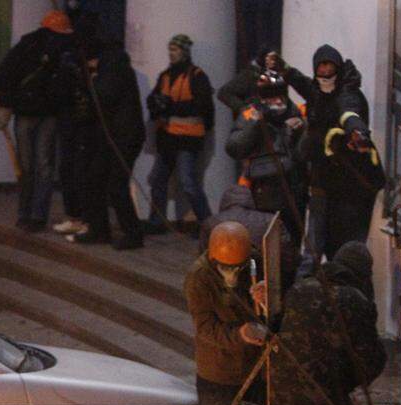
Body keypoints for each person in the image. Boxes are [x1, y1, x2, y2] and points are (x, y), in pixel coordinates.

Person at [269, 241, 386, 405]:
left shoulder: (300, 287)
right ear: (364, 275)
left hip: (280, 393)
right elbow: (371, 361)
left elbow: (274, 329)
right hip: (327, 401)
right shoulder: (355, 300)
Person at [184, 221, 266, 405]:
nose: (232, 273)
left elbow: (267, 308)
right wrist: (239, 335)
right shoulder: (199, 278)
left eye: (238, 267)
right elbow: (206, 329)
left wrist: (265, 297)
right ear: (212, 256)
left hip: (252, 366)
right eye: (225, 267)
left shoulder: (253, 262)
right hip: (218, 372)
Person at [297, 45, 384, 260]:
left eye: (329, 65)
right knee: (316, 246)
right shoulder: (316, 96)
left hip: (349, 188)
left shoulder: (349, 94)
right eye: (321, 65)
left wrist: (354, 131)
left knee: (345, 247)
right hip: (321, 182)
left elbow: (351, 113)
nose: (325, 71)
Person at [58, 39, 145, 250]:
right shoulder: (108, 67)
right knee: (94, 179)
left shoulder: (115, 68)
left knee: (116, 185)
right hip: (111, 136)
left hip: (124, 137)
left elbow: (103, 96)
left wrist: (85, 79)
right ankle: (99, 230)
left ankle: (133, 234)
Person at [0, 11, 74, 231]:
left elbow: (5, 72)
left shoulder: (25, 45)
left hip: (25, 113)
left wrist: (6, 105)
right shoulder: (63, 49)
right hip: (48, 114)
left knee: (27, 166)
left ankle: (24, 214)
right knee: (44, 167)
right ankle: (38, 216)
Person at [143, 34, 214, 235]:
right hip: (167, 138)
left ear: (184, 52)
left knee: (187, 182)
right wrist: (157, 105)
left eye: (175, 50)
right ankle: (156, 221)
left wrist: (169, 106)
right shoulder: (166, 75)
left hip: (187, 139)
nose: (171, 54)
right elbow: (152, 99)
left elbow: (203, 106)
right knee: (158, 180)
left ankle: (208, 226)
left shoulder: (197, 76)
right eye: (170, 50)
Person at [225, 71, 306, 242]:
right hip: (262, 192)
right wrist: (255, 125)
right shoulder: (251, 114)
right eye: (270, 96)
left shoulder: (296, 113)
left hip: (294, 190)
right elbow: (234, 148)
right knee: (263, 242)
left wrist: (299, 130)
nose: (276, 101)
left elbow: (304, 153)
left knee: (292, 243)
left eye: (279, 95)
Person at [218, 49, 308, 115]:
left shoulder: (281, 74)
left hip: (279, 118)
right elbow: (224, 93)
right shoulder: (250, 75)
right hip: (258, 122)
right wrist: (246, 109)